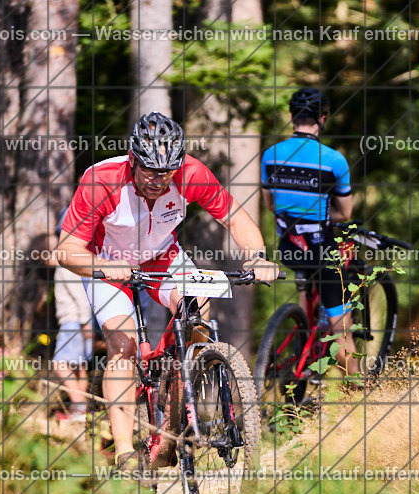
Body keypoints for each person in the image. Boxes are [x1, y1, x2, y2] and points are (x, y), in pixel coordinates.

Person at [56, 112, 279, 472]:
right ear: (132, 159)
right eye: (150, 170)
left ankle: (175, 402)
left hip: (162, 257)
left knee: (199, 308)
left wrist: (257, 257)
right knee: (124, 345)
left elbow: (236, 217)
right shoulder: (101, 180)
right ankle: (127, 450)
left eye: (167, 171)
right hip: (107, 263)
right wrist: (106, 267)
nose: (159, 180)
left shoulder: (190, 173)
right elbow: (65, 251)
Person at [261, 88, 357, 376]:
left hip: (288, 248)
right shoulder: (334, 161)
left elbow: (271, 204)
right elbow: (344, 213)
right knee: (344, 334)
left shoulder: (271, 155)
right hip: (321, 251)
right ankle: (358, 389)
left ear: (292, 118)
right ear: (322, 119)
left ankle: (304, 332)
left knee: (308, 270)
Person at [47, 210, 94, 423]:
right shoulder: (74, 261)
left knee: (60, 364)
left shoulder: (67, 262)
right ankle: (78, 412)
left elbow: (80, 296)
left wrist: (85, 324)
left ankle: (80, 407)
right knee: (79, 367)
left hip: (73, 321)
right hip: (80, 321)